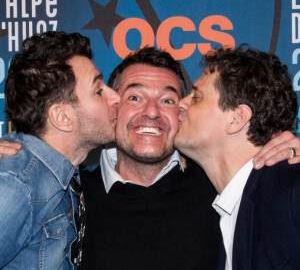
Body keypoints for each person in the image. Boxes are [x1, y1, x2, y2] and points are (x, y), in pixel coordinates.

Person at [1, 46, 300, 269]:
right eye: (135, 96)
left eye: (169, 99)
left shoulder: (223, 190)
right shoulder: (67, 194)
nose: (152, 111)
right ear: (113, 106)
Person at [0, 31, 120, 269]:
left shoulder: (62, 174)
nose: (116, 96)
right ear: (62, 117)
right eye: (98, 91)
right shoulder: (16, 186)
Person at [174, 45, 300, 269]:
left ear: (237, 118)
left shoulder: (290, 191)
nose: (180, 104)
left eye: (197, 97)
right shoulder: (229, 206)